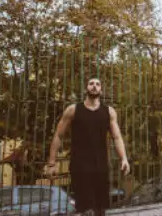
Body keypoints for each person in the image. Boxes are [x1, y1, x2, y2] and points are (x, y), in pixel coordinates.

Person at [45, 78, 129, 216]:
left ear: (101, 90)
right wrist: (52, 163)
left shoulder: (109, 112)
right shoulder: (73, 110)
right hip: (80, 166)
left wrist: (124, 158)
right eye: (91, 84)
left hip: (101, 166)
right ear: (86, 89)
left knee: (100, 209)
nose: (94, 86)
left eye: (97, 84)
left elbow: (117, 137)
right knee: (86, 210)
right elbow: (58, 136)